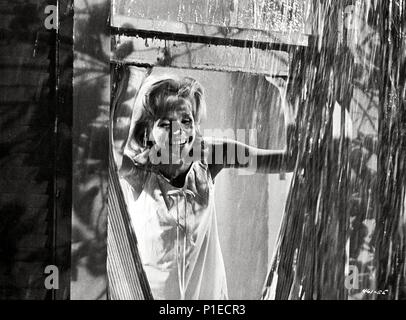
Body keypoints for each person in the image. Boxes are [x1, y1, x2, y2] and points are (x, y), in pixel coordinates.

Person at [119, 74, 296, 300]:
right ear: (148, 133)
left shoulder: (210, 156)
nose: (178, 132)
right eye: (165, 123)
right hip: (152, 295)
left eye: (186, 120)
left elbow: (289, 160)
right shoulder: (140, 171)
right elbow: (106, 154)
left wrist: (286, 94)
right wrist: (132, 78)